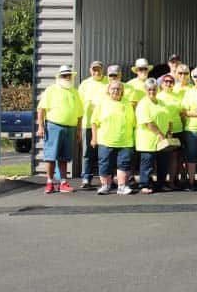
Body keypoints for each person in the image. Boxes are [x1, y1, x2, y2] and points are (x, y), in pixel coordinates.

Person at [37, 65, 84, 194]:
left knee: (64, 157)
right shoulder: (51, 90)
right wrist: (40, 126)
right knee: (51, 156)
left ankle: (63, 182)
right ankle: (49, 182)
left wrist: (79, 131)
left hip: (71, 127)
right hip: (53, 126)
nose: (67, 77)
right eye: (64, 75)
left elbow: (80, 114)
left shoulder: (75, 92)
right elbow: (41, 109)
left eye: (69, 75)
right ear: (59, 77)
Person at [91, 81, 135, 195]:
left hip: (125, 140)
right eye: (113, 88)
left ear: (122, 91)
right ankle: (105, 186)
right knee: (105, 163)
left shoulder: (127, 103)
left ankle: (122, 186)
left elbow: (132, 122)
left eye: (118, 89)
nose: (116, 91)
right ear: (108, 90)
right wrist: (94, 138)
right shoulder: (101, 103)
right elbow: (94, 122)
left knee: (123, 164)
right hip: (106, 140)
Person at [135, 79, 172, 194]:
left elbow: (169, 119)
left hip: (163, 140)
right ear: (145, 90)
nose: (152, 91)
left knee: (163, 163)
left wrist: (169, 132)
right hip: (148, 140)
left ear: (158, 89)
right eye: (149, 89)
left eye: (154, 89)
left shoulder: (162, 102)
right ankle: (144, 184)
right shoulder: (143, 104)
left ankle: (161, 184)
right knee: (147, 163)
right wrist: (160, 134)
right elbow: (148, 123)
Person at [77, 60, 108, 188]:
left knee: (105, 153)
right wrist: (78, 126)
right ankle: (86, 178)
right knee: (87, 153)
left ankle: (105, 179)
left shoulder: (108, 82)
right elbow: (79, 105)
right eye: (94, 69)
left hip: (105, 124)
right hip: (88, 123)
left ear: (103, 70)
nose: (96, 72)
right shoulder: (85, 84)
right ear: (90, 70)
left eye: (99, 69)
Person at [157, 73, 185, 188]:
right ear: (162, 84)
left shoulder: (178, 96)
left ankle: (173, 181)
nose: (168, 83)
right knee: (163, 157)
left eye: (171, 82)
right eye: (166, 81)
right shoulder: (158, 97)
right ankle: (161, 181)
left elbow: (182, 113)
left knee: (175, 157)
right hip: (164, 130)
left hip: (177, 129)